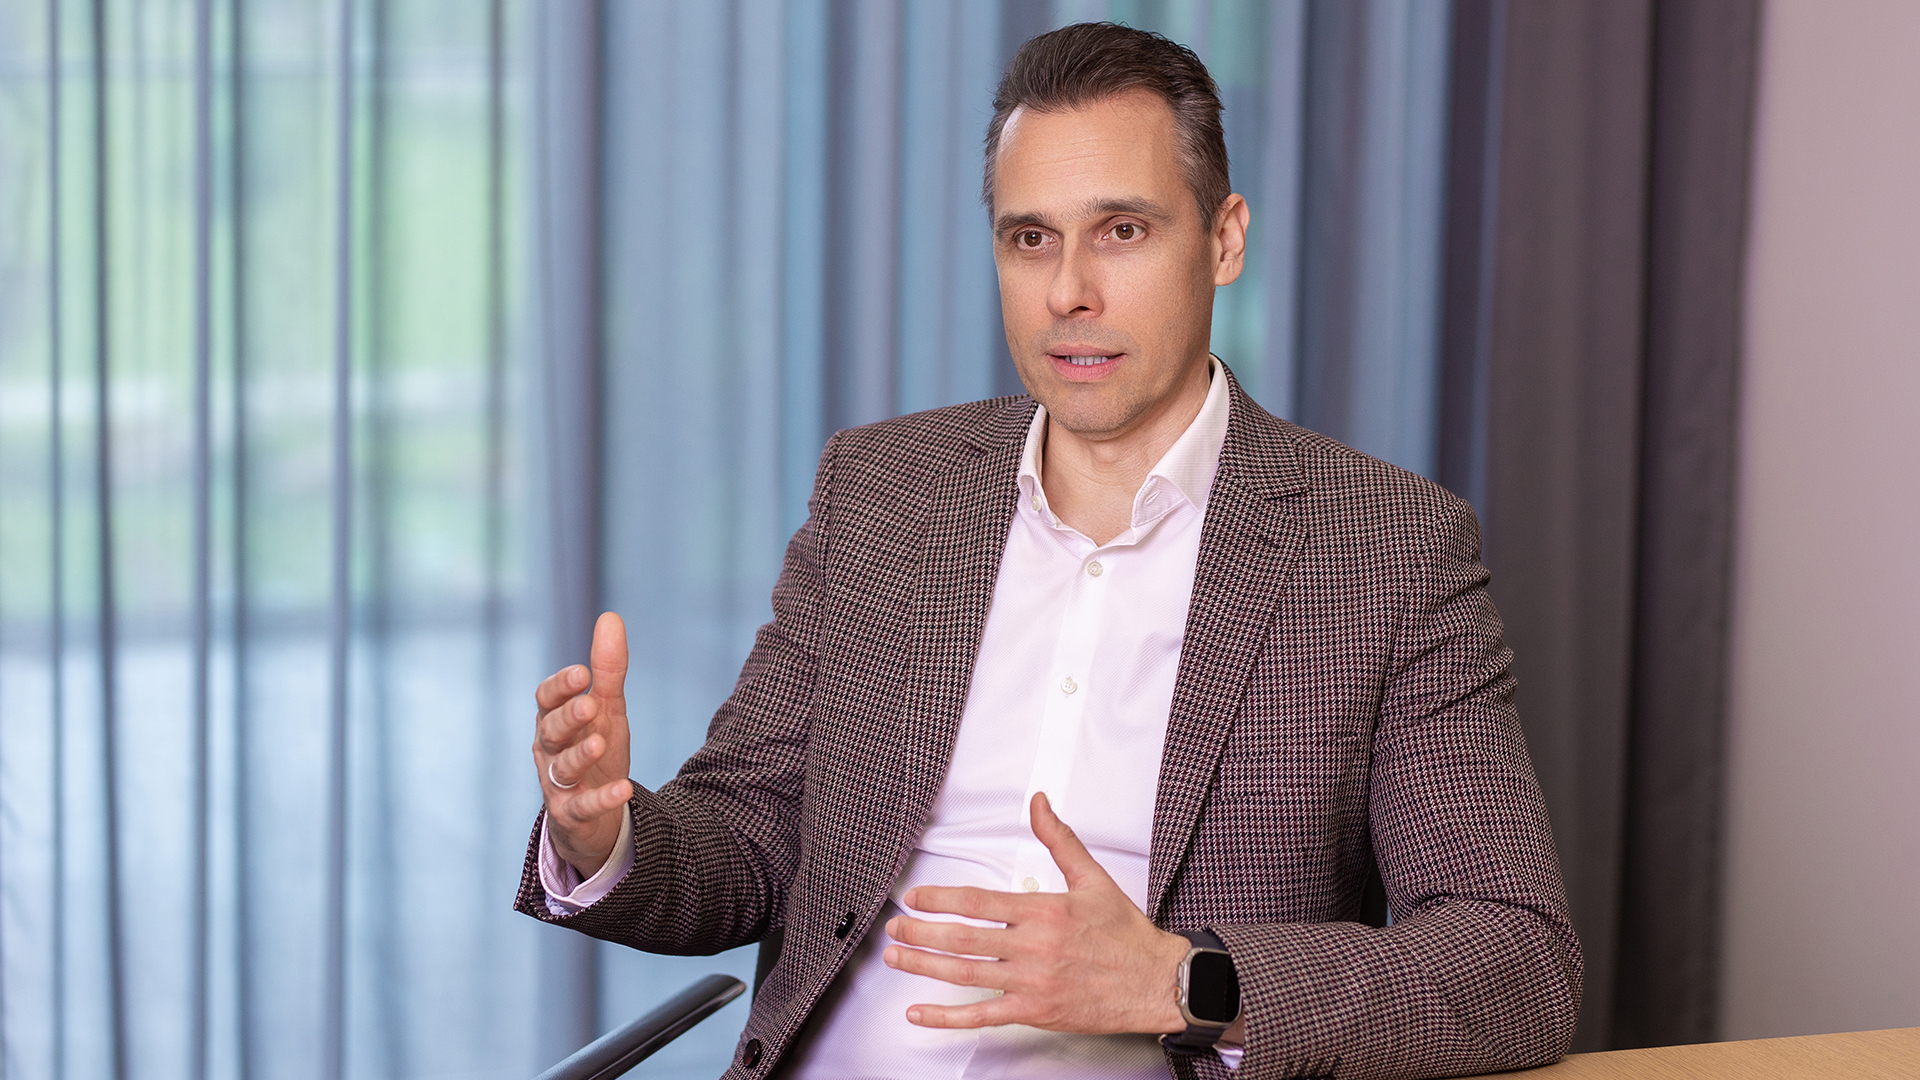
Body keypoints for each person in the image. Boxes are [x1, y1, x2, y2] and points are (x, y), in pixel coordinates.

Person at [519, 22, 1580, 1080]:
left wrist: (1183, 983)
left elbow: (1517, 964)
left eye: (1121, 230)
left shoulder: (1388, 553)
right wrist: (601, 833)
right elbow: (748, 841)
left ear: (1224, 241)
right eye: (1031, 238)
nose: (1069, 290)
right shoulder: (880, 493)